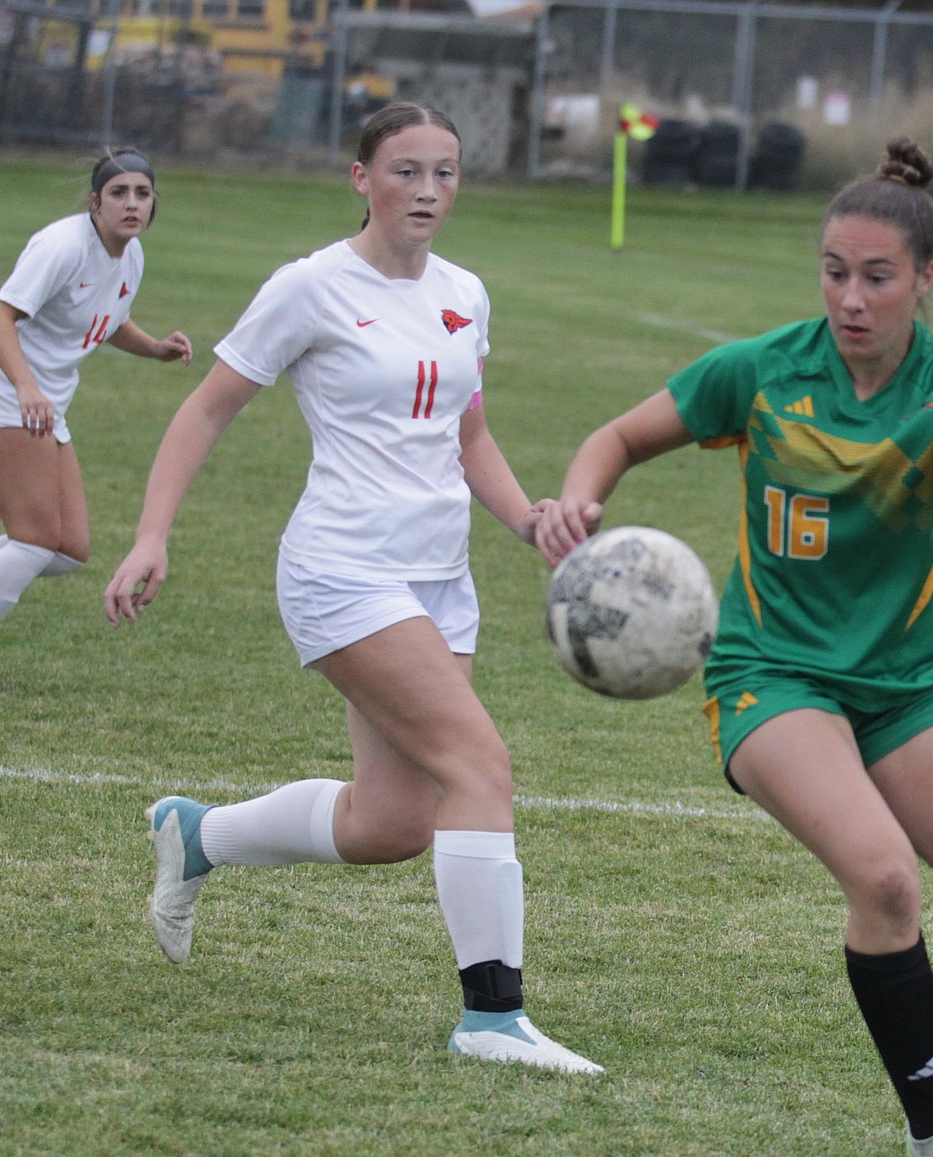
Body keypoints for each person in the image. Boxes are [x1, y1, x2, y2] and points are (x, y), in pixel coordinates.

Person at [535, 138, 933, 1152]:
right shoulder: (766, 369)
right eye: (833, 270)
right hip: (771, 676)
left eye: (876, 276)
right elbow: (619, 435)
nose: (850, 297)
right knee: (885, 876)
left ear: (924, 279)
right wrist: (581, 492)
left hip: (904, 686)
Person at [102, 103, 602, 1075]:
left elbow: (469, 436)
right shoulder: (311, 287)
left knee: (393, 823)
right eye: (406, 170)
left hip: (438, 578)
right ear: (360, 176)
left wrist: (530, 520)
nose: (427, 191)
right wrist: (151, 534)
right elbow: (207, 410)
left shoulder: (465, 291)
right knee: (479, 761)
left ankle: (199, 833)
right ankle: (493, 1017)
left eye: (445, 173)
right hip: (342, 567)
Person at [0, 147, 193, 689]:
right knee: (35, 540)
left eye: (142, 194)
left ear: (154, 204)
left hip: (44, 405)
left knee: (68, 550)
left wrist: (154, 348)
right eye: (118, 193)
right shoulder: (63, 246)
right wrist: (25, 387)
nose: (131, 204)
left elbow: (106, 321)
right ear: (95, 201)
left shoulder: (129, 255)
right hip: (4, 399)